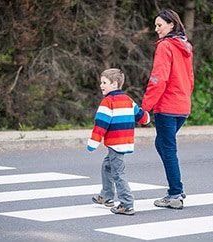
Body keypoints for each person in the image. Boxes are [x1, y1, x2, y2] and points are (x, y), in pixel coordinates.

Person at [141, 9, 194, 209]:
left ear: (171, 25)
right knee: (162, 144)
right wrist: (185, 99)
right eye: (155, 26)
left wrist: (145, 107)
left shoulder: (165, 46)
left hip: (167, 106)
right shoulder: (185, 46)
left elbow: (158, 78)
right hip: (182, 106)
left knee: (168, 148)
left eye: (159, 25)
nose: (156, 29)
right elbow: (190, 79)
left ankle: (175, 193)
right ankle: (176, 189)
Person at [87, 68, 150, 215]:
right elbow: (141, 115)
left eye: (104, 82)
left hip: (116, 143)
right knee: (107, 166)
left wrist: (93, 142)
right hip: (125, 141)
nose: (101, 85)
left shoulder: (107, 102)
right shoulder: (128, 100)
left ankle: (127, 204)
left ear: (114, 84)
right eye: (101, 82)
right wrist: (146, 118)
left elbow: (100, 124)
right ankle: (107, 196)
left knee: (118, 173)